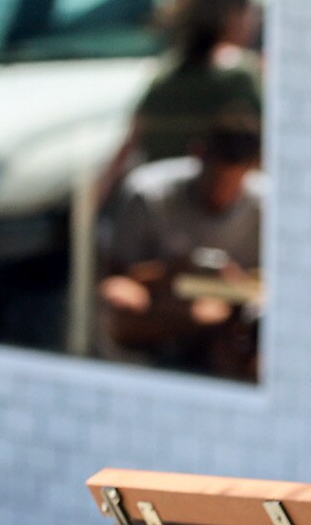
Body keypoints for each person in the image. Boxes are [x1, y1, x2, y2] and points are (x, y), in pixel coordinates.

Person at [96, 110, 265, 380]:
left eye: (232, 186)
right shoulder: (149, 194)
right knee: (117, 298)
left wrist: (236, 284)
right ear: (198, 156)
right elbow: (116, 273)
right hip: (167, 301)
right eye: (215, 181)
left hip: (236, 312)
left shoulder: (265, 205)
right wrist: (172, 271)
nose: (220, 194)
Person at [96, 0, 262, 205]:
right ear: (234, 17)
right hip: (215, 212)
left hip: (161, 210)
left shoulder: (164, 79)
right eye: (250, 14)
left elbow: (129, 146)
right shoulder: (240, 78)